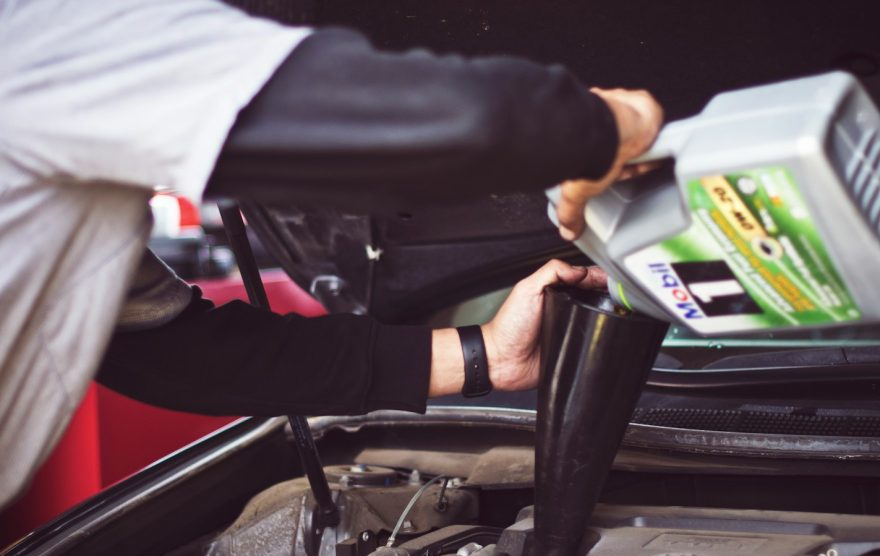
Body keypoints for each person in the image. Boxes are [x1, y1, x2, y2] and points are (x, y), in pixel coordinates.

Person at [0, 0, 662, 509]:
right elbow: (428, 121)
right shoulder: (42, 36)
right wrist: (605, 124)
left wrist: (484, 355)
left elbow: (169, 353)